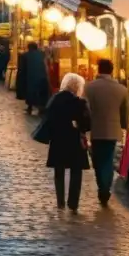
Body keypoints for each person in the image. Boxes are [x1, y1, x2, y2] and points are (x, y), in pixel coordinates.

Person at [83, 59, 129, 206]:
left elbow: (85, 109)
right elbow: (125, 113)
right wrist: (124, 126)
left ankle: (102, 187)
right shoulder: (121, 89)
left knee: (97, 160)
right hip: (113, 130)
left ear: (98, 69)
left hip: (96, 129)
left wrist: (84, 127)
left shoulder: (89, 87)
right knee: (108, 159)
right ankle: (105, 188)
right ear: (112, 70)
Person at [43, 73, 92, 212]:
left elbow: (48, 118)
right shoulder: (80, 102)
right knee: (76, 171)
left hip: (58, 139)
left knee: (59, 170)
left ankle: (60, 201)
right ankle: (73, 203)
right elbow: (87, 124)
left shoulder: (54, 99)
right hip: (75, 140)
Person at [19, 42, 50, 115]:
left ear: (28, 47)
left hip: (31, 77)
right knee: (41, 93)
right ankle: (41, 108)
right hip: (43, 77)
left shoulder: (25, 55)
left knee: (30, 92)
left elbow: (23, 69)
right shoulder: (42, 54)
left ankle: (30, 108)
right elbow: (46, 64)